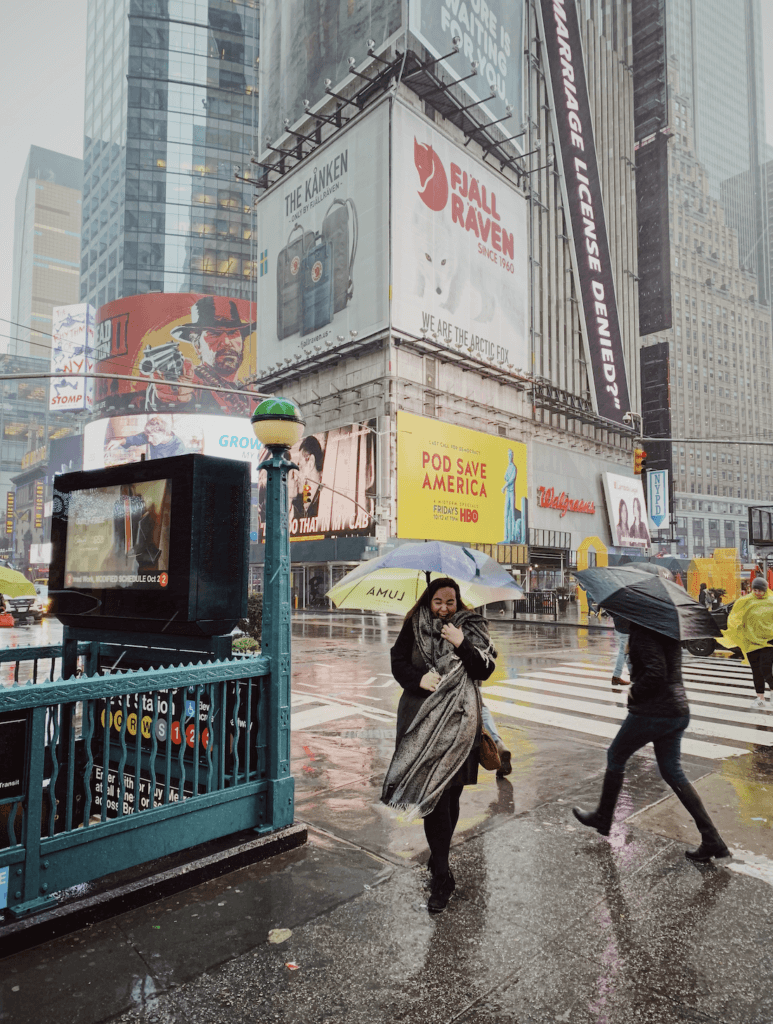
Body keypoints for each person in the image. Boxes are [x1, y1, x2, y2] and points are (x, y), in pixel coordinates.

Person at [383, 577, 497, 912]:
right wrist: (417, 679)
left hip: (461, 724)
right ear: (428, 601)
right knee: (435, 798)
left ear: (458, 602)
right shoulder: (414, 623)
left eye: (450, 602)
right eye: (437, 602)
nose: (444, 609)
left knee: (453, 793)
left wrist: (461, 642)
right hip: (421, 722)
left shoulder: (471, 626)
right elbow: (397, 660)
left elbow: (485, 669)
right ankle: (442, 876)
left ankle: (439, 857)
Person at [572, 619, 729, 862]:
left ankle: (603, 818)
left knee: (615, 755)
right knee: (672, 771)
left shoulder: (644, 629)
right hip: (676, 709)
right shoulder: (666, 626)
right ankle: (712, 839)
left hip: (653, 711)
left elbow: (656, 671)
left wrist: (635, 692)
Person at [149, 296, 255, 416]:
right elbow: (167, 396)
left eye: (232, 333)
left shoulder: (250, 393)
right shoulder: (191, 380)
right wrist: (169, 397)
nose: (226, 341)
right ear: (197, 345)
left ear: (242, 341)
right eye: (214, 334)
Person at [720, 576, 773, 709]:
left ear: (765, 590)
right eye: (755, 590)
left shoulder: (771, 601)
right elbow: (735, 617)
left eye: (760, 590)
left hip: (768, 642)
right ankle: (760, 698)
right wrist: (736, 627)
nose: (757, 593)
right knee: (756, 671)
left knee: (765, 669)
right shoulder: (744, 602)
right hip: (750, 642)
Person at [106, 417, 188, 460]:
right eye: (148, 436)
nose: (149, 440)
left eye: (152, 436)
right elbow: (134, 439)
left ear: (163, 432)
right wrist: (119, 442)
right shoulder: (151, 436)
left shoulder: (178, 447)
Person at [290, 435, 324, 521]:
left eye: (300, 467)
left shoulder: (324, 502)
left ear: (310, 463)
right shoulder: (301, 501)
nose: (297, 478)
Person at [501, 449, 521, 543]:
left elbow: (510, 480)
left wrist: (504, 486)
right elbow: (505, 476)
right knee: (506, 514)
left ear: (512, 456)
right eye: (508, 456)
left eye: (510, 456)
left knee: (512, 513)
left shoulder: (513, 467)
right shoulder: (508, 467)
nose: (509, 457)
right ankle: (505, 536)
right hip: (508, 493)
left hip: (511, 492)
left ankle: (512, 536)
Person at [610, 614, 630, 687]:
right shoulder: (627, 603)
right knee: (624, 652)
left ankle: (633, 674)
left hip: (619, 626)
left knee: (627, 651)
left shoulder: (616, 602)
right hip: (626, 627)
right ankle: (616, 676)